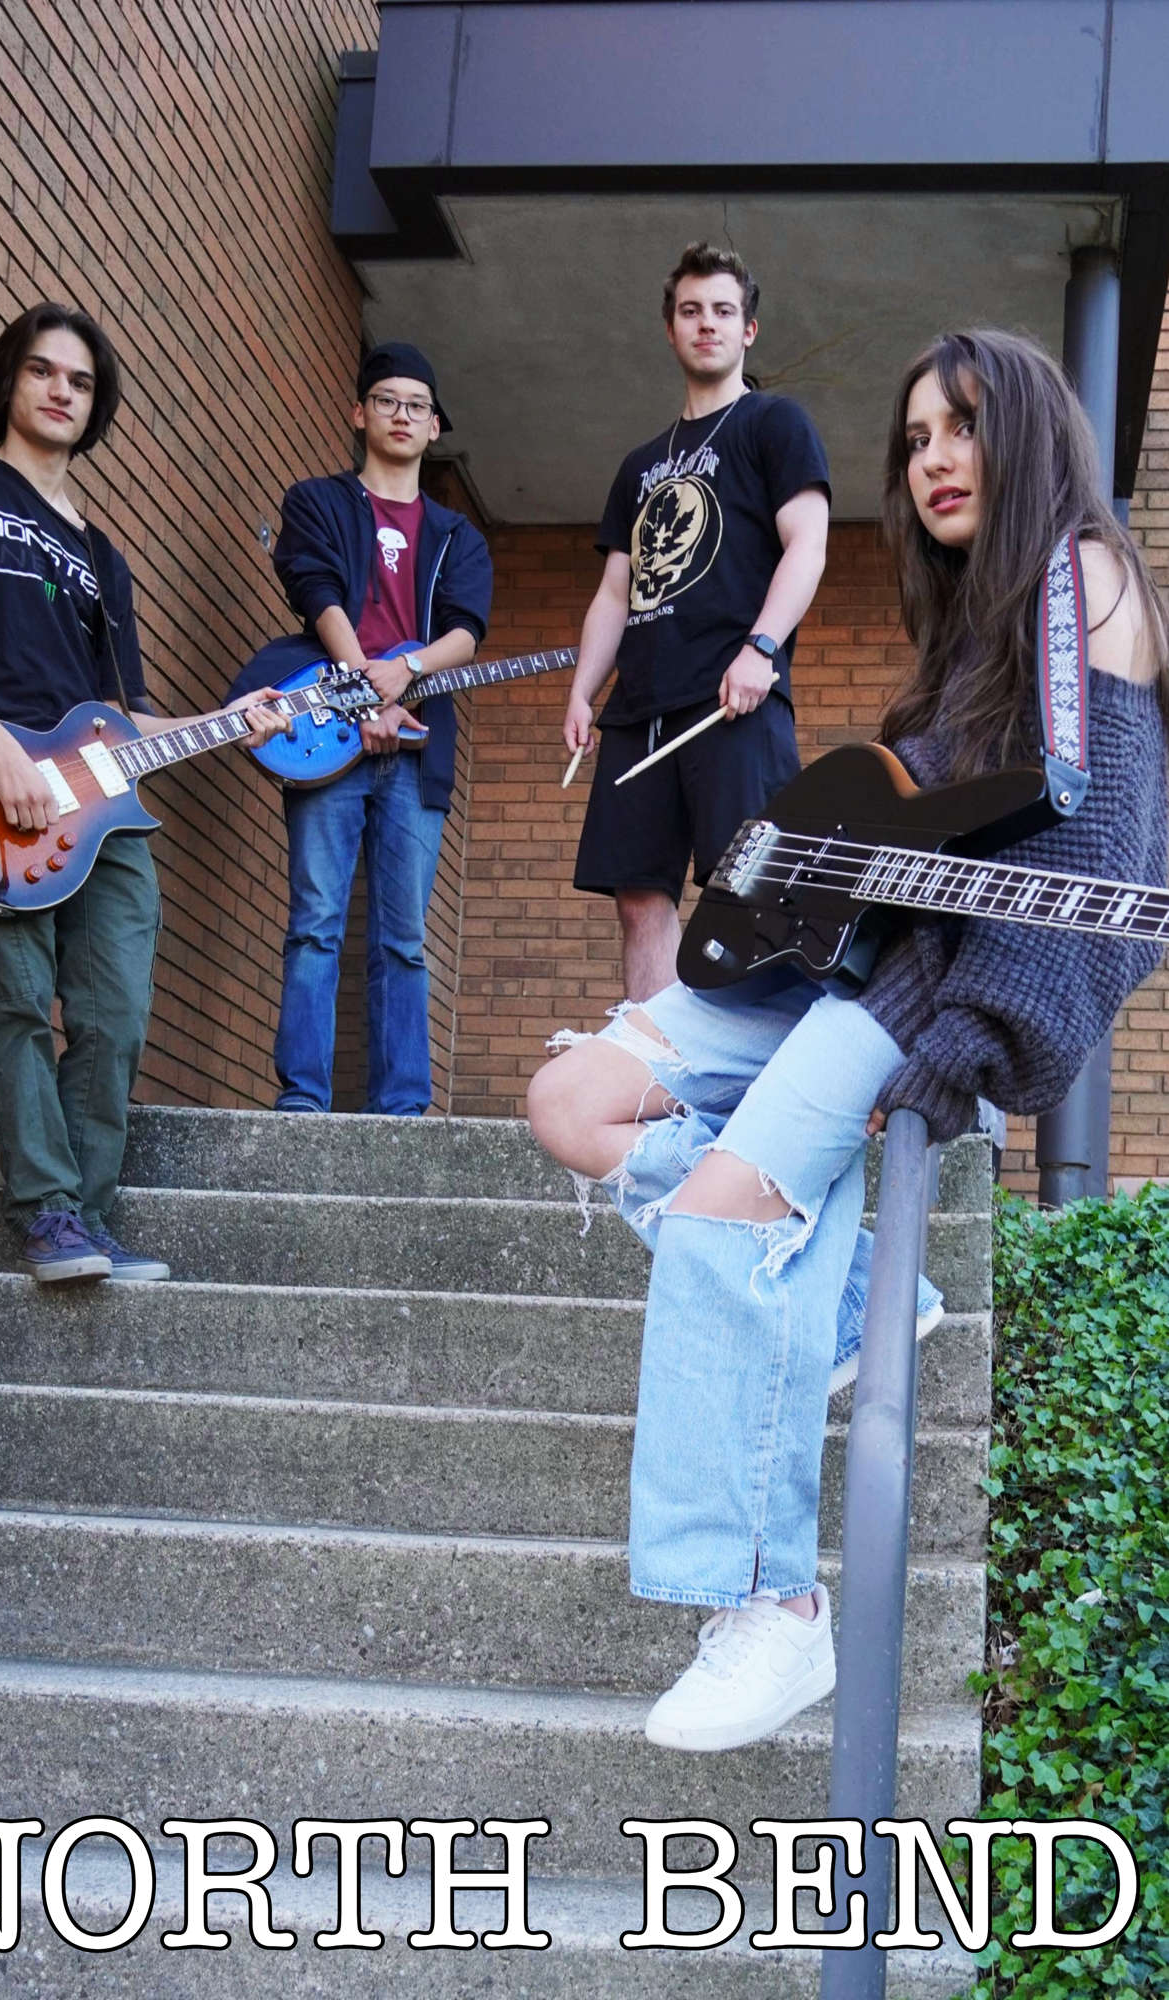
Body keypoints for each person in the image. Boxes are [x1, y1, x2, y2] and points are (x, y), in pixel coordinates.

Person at [529, 328, 1168, 1751]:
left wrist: (968, 1044)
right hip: (807, 972)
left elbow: (1105, 860)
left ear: (1030, 438)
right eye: (915, 438)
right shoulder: (965, 635)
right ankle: (830, 1298)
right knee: (573, 1102)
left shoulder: (1085, 575)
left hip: (911, 1000)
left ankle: (770, 1610)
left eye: (960, 427)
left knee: (711, 1219)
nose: (932, 458)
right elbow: (898, 819)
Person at [0, 304, 284, 1283]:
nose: (62, 389)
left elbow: (119, 718)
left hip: (98, 815)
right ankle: (48, 1213)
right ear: (8, 383)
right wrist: (1, 754)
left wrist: (242, 717)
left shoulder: (104, 556)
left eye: (82, 380)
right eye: (43, 371)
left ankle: (89, 1220)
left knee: (115, 1012)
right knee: (16, 1000)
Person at [564, 241, 830, 1000]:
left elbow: (806, 547)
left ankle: (760, 1081)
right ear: (670, 329)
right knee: (639, 900)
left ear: (748, 329)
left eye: (722, 311)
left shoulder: (774, 424)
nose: (706, 324)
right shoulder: (639, 464)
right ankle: (655, 1081)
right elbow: (616, 591)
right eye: (690, 311)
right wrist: (584, 689)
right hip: (641, 707)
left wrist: (761, 649)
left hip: (731, 698)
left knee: (751, 890)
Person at [267, 342, 492, 1115]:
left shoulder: (458, 535)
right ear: (359, 414)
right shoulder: (317, 503)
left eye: (418, 405)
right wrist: (367, 688)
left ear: (436, 428)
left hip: (419, 748)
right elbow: (315, 588)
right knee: (316, 921)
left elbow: (466, 631)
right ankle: (302, 1100)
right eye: (387, 400)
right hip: (325, 734)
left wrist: (408, 673)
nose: (402, 414)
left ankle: (403, 1111)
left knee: (403, 939)